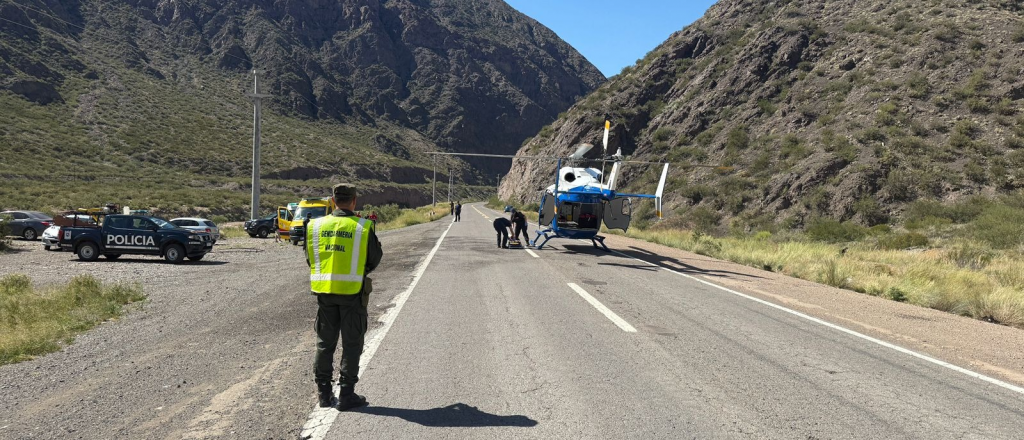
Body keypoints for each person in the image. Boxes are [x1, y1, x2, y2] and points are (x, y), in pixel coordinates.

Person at [305, 183, 383, 411]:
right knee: (352, 344)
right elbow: (374, 259)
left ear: (332, 200)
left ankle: (324, 395)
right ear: (354, 201)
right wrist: (358, 270)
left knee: (324, 344)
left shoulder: (315, 226)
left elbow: (311, 259)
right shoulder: (362, 226)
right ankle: (347, 394)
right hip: (352, 294)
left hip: (324, 293)